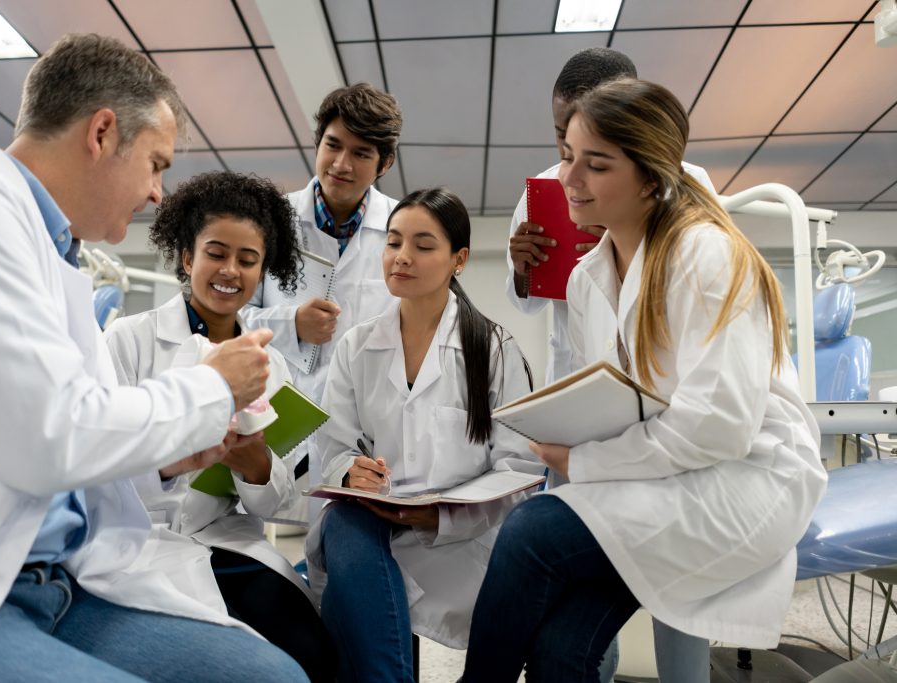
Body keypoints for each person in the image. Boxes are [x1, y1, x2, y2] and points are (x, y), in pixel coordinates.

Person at [0, 34, 307, 683]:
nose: (159, 193)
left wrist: (170, 458)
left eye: (250, 260)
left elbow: (72, 463)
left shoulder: (53, 262)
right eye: (156, 163)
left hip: (65, 571)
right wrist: (209, 389)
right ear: (103, 132)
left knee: (276, 676)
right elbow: (49, 435)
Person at [462, 78, 827, 683]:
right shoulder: (586, 280)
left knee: (535, 528)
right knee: (561, 646)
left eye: (596, 165)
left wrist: (583, 463)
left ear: (651, 177)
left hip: (741, 479)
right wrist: (564, 430)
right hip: (662, 475)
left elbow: (719, 430)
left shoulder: (709, 257)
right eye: (569, 157)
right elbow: (615, 401)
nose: (568, 179)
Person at [505, 46, 716, 681]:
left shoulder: (690, 185)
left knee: (679, 586)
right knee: (578, 584)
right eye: (562, 136)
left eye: (593, 132)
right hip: (584, 401)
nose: (573, 154)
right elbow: (534, 304)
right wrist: (522, 265)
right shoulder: (545, 190)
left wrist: (624, 229)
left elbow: (708, 295)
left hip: (664, 405)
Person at [304, 187, 543, 682]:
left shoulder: (493, 349)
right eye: (393, 243)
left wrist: (440, 514)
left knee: (360, 599)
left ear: (459, 259)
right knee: (342, 524)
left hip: (461, 539)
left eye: (423, 245)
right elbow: (333, 444)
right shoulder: (357, 345)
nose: (402, 257)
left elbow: (518, 469)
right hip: (377, 523)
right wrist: (352, 470)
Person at [104, 171, 335, 682]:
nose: (230, 270)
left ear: (262, 271)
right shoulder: (128, 340)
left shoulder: (269, 365)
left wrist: (255, 468)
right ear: (187, 257)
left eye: (248, 260)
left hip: (223, 539)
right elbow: (101, 454)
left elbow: (279, 504)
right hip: (138, 539)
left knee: (309, 650)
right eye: (216, 253)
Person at [239, 83, 403, 517]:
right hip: (283, 415)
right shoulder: (272, 220)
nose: (342, 164)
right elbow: (230, 315)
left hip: (365, 429)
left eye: (362, 153)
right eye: (333, 145)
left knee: (347, 545)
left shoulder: (400, 229)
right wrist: (290, 324)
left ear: (384, 163)